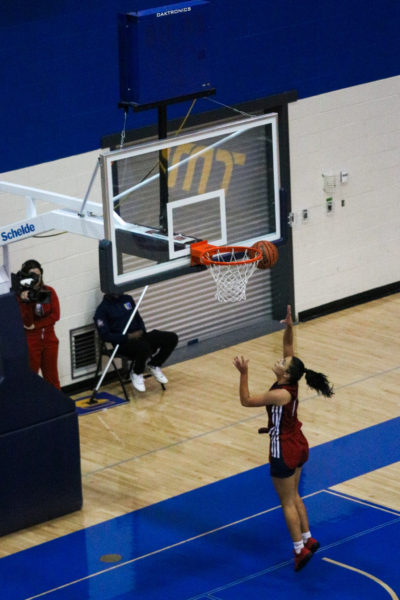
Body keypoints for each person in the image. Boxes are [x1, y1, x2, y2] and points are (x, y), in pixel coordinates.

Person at [233, 305, 333, 572]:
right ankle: (307, 538)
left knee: (287, 501)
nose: (279, 360)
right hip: (298, 443)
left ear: (285, 374)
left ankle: (299, 551)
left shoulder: (281, 394)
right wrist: (289, 327)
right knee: (296, 495)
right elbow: (289, 350)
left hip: (284, 447)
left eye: (282, 363)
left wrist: (243, 373)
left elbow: (246, 401)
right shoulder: (292, 379)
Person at [94, 293, 178, 393]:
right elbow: (105, 336)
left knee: (171, 337)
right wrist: (128, 337)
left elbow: (138, 318)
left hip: (140, 336)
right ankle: (136, 372)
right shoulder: (102, 310)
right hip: (123, 343)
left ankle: (154, 364)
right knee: (144, 347)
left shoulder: (127, 299)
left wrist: (142, 330)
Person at [16, 259, 61, 389]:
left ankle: (57, 406)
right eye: (32, 276)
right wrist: (27, 303)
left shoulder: (49, 291)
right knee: (31, 376)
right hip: (31, 341)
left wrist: (37, 325)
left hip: (49, 339)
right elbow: (27, 322)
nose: (36, 279)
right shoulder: (21, 296)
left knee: (52, 377)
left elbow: (55, 315)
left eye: (38, 276)